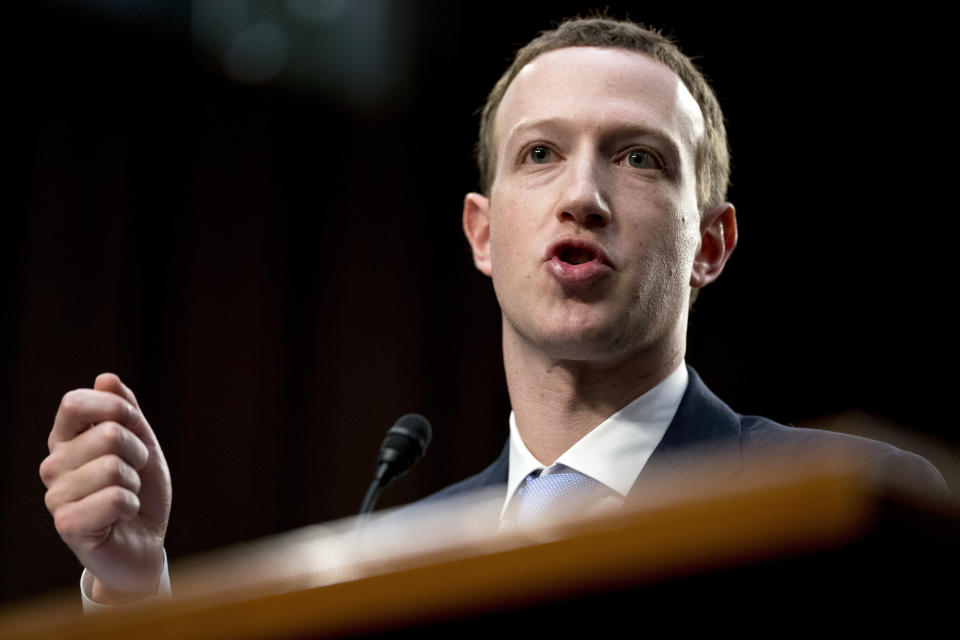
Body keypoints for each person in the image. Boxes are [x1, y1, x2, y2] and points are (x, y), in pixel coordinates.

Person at [39, 16, 948, 607]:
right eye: (542, 153)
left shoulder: (845, 502)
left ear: (710, 245)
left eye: (638, 158)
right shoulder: (391, 558)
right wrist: (133, 587)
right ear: (482, 233)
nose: (582, 195)